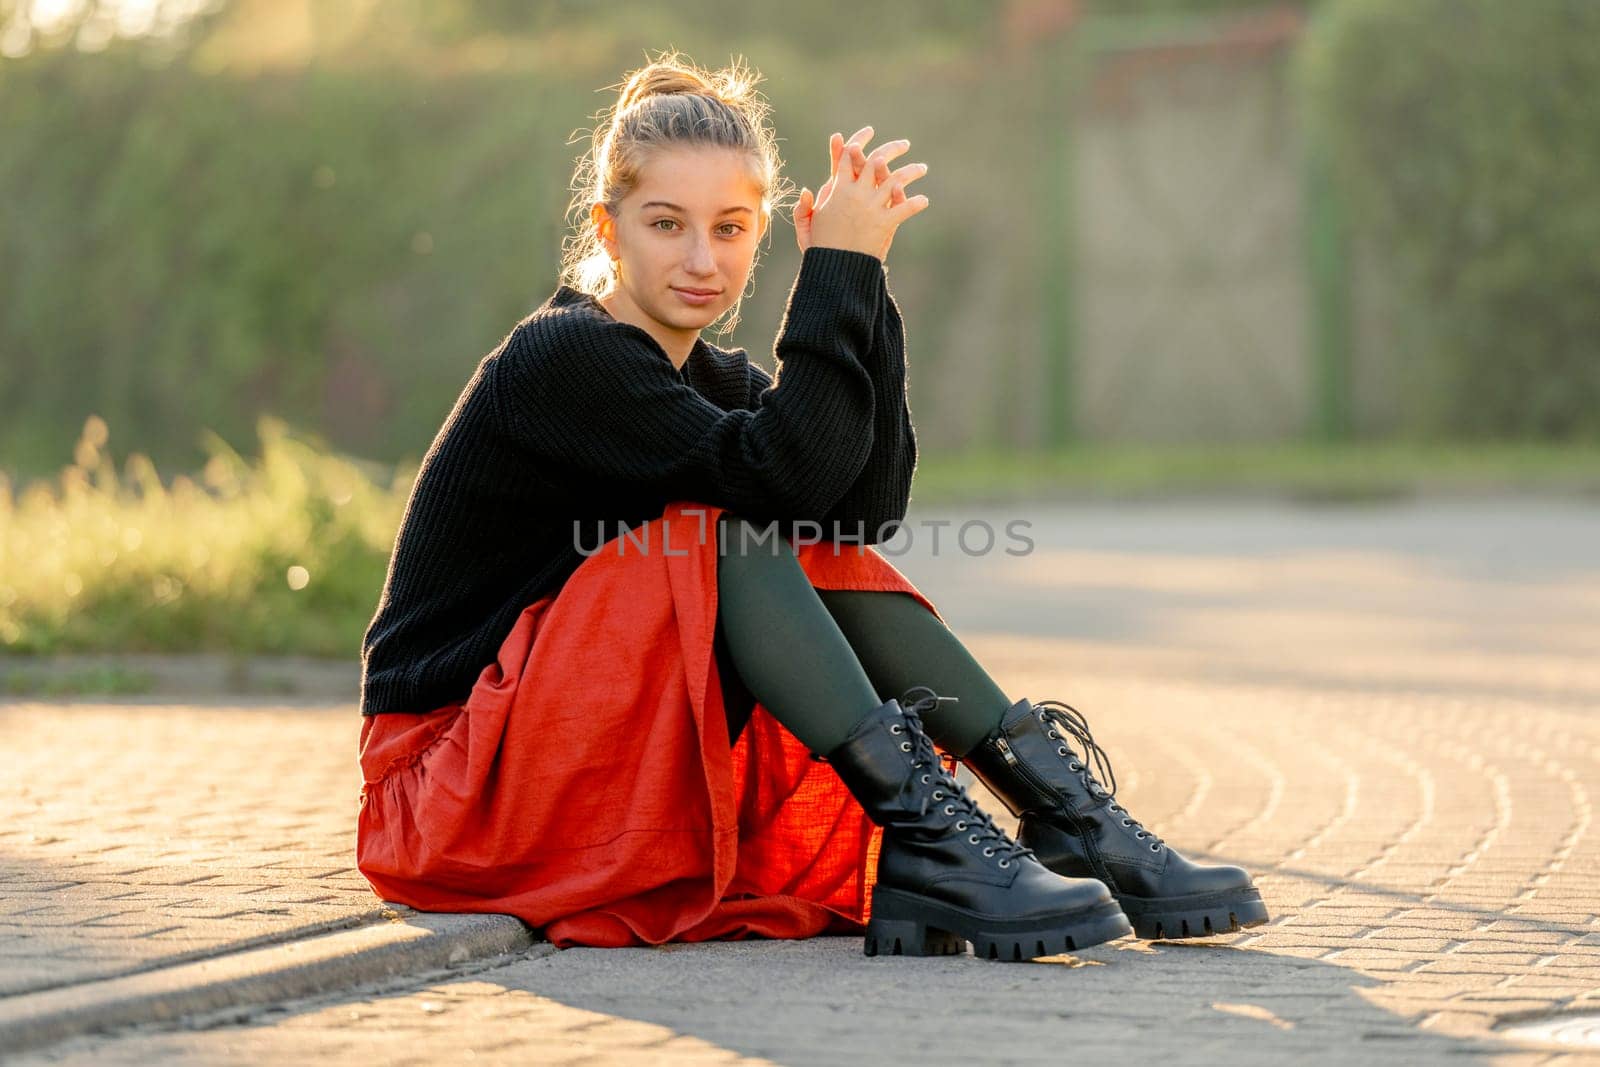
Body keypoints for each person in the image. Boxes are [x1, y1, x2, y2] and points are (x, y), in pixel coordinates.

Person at [354, 51, 1268, 963]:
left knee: (785, 536)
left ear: (761, 234)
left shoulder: (712, 379)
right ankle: (933, 838)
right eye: (666, 224)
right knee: (724, 530)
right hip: (450, 780)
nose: (702, 259)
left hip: (563, 745)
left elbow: (858, 512)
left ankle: (1068, 818)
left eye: (731, 227)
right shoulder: (565, 358)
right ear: (609, 225)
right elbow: (778, 482)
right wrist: (833, 270)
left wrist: (859, 281)